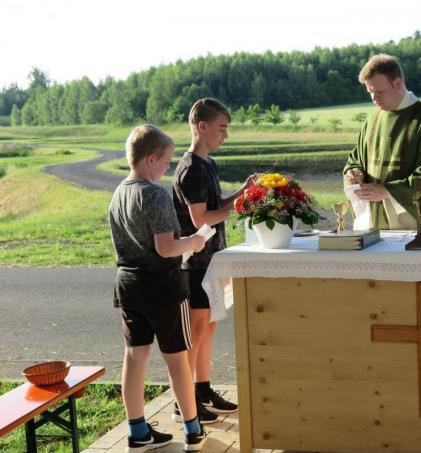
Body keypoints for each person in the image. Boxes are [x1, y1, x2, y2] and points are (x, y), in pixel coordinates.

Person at [108, 124, 208, 452]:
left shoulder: (119, 192)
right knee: (177, 359)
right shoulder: (154, 193)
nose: (168, 167)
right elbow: (166, 248)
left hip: (128, 286)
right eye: (166, 161)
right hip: (163, 289)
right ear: (151, 159)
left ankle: (138, 431)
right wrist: (192, 242)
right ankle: (193, 431)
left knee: (135, 357)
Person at [171, 98, 256, 424]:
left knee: (209, 326)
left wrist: (241, 194)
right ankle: (184, 400)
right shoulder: (191, 168)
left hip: (213, 259)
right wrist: (236, 206)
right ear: (202, 127)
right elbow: (200, 219)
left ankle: (202, 388)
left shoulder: (207, 164)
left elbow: (215, 204)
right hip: (195, 263)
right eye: (222, 128)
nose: (226, 135)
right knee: (196, 329)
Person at [343, 53, 421, 229]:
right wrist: (354, 173)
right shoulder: (372, 122)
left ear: (398, 84)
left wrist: (387, 191)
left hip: (414, 227)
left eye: (379, 91)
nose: (374, 98)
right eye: (370, 92)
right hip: (375, 223)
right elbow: (356, 158)